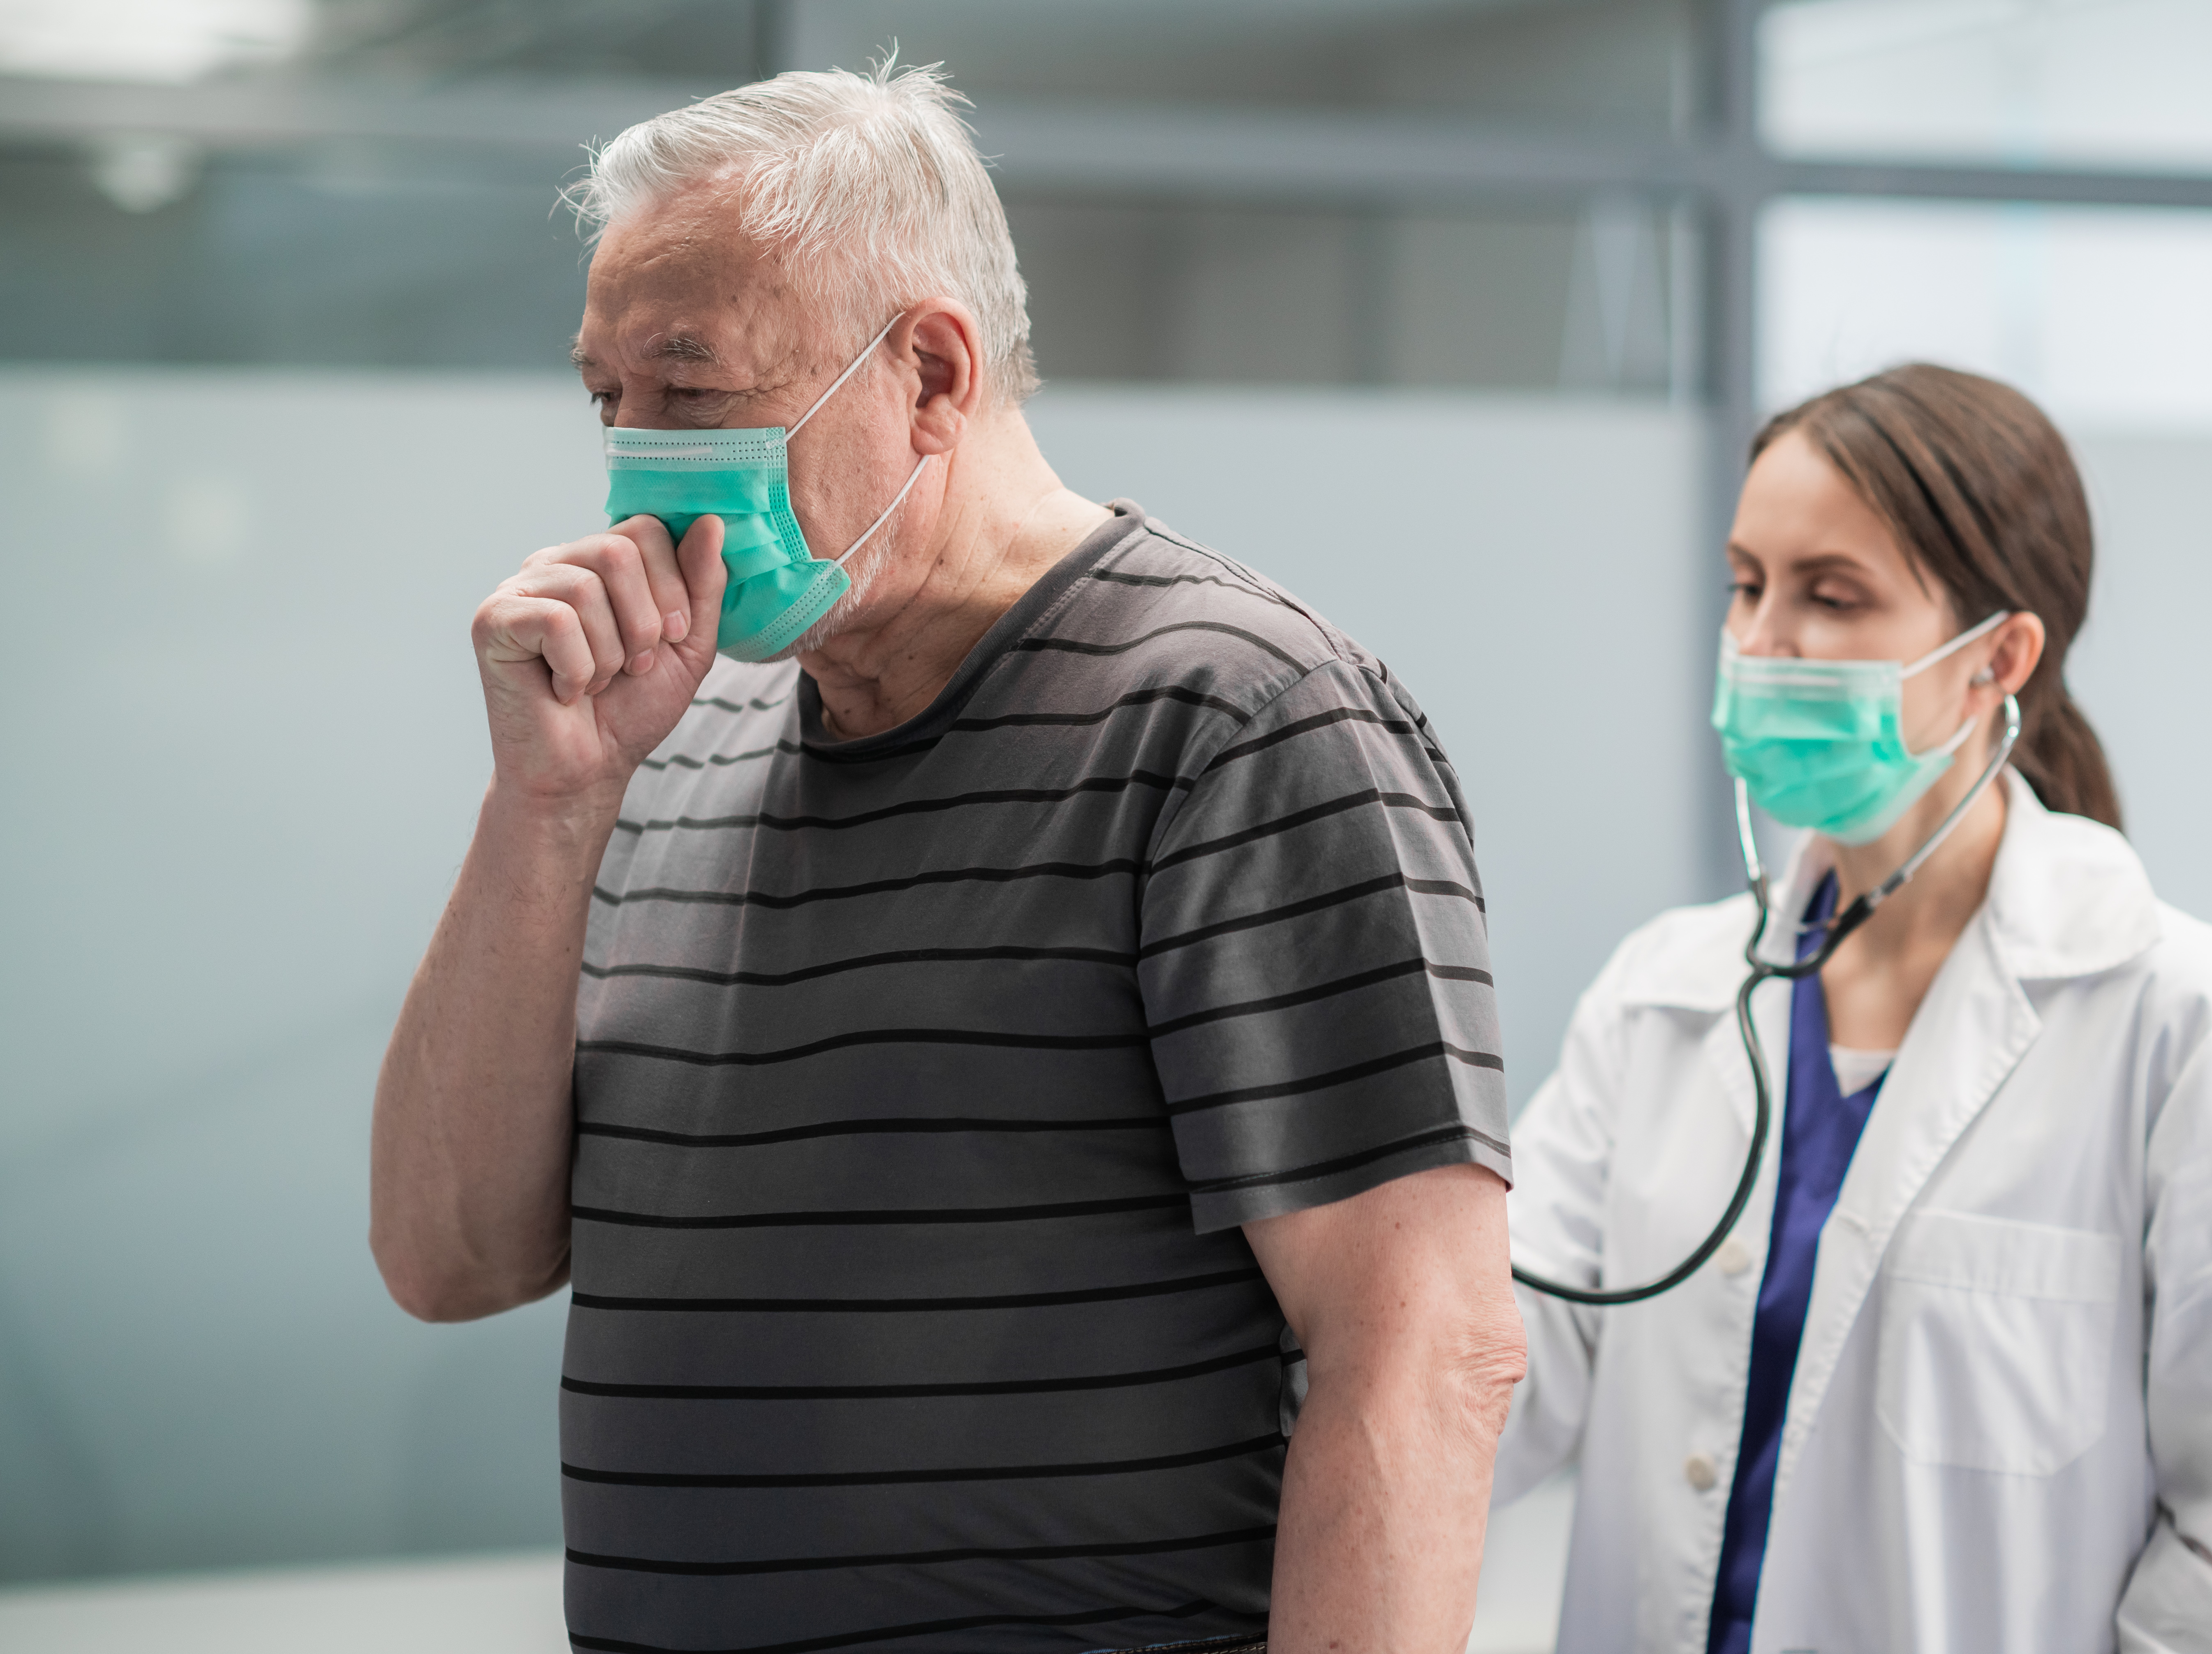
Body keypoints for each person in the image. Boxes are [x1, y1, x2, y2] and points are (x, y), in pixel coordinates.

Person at [368, 62, 1523, 1654]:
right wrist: (546, 806)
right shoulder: (668, 742)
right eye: (606, 398)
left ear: (929, 369)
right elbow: (450, 1257)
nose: (635, 461)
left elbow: (1427, 1347)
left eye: (692, 393)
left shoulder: (1235, 717)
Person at [1496, 364, 2212, 1653]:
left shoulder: (2178, 1024)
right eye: (1746, 586)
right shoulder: (1662, 1000)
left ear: (1998, 659)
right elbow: (1491, 1373)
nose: (1762, 644)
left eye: (1832, 595)